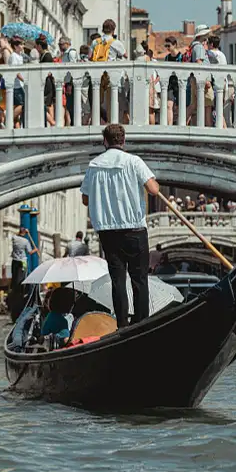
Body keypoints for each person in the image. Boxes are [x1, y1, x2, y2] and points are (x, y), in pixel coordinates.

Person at [80, 123, 159, 329]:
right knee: (139, 280)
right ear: (123, 141)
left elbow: (85, 200)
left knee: (118, 280)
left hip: (108, 232)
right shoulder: (134, 162)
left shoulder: (94, 165)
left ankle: (122, 325)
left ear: (105, 141)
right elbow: (153, 189)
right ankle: (141, 323)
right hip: (134, 229)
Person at [7, 227, 39, 321]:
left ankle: (15, 287)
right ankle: (22, 288)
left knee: (15, 277)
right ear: (25, 233)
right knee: (22, 277)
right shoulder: (25, 241)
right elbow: (29, 252)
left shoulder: (14, 238)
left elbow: (17, 234)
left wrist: (23, 231)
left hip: (15, 261)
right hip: (22, 261)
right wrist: (36, 250)